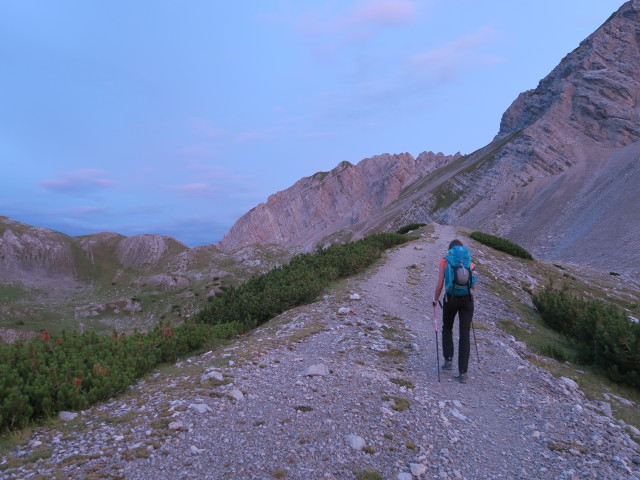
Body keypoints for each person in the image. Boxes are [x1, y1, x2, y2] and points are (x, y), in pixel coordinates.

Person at [433, 239, 476, 383]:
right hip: (467, 300)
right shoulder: (469, 262)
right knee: (465, 335)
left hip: (450, 299)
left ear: (449, 250)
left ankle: (448, 361)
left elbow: (440, 285)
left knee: (447, 327)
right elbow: (473, 285)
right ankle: (463, 373)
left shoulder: (444, 262)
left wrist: (435, 299)